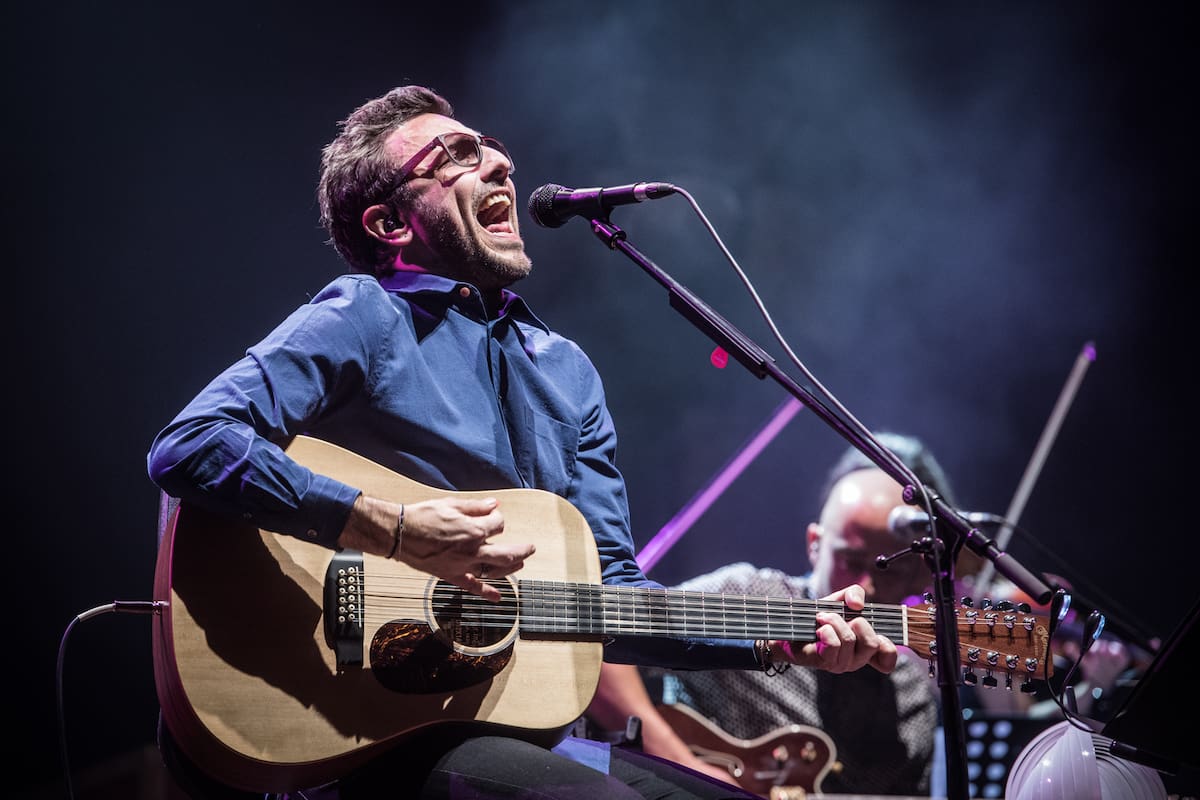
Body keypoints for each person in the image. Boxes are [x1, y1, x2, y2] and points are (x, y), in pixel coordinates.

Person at [145, 84, 898, 800]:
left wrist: (781, 638)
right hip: (375, 731)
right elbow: (191, 444)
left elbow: (612, 599)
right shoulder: (365, 316)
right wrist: (391, 529)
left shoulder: (566, 372)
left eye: (492, 149)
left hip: (524, 735)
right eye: (456, 157)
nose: (499, 163)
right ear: (389, 224)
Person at [587, 433, 972, 796]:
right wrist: (686, 769)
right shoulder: (746, 594)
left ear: (920, 572)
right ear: (815, 545)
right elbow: (600, 643)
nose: (865, 586)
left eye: (890, 567)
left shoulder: (911, 699)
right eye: (850, 560)